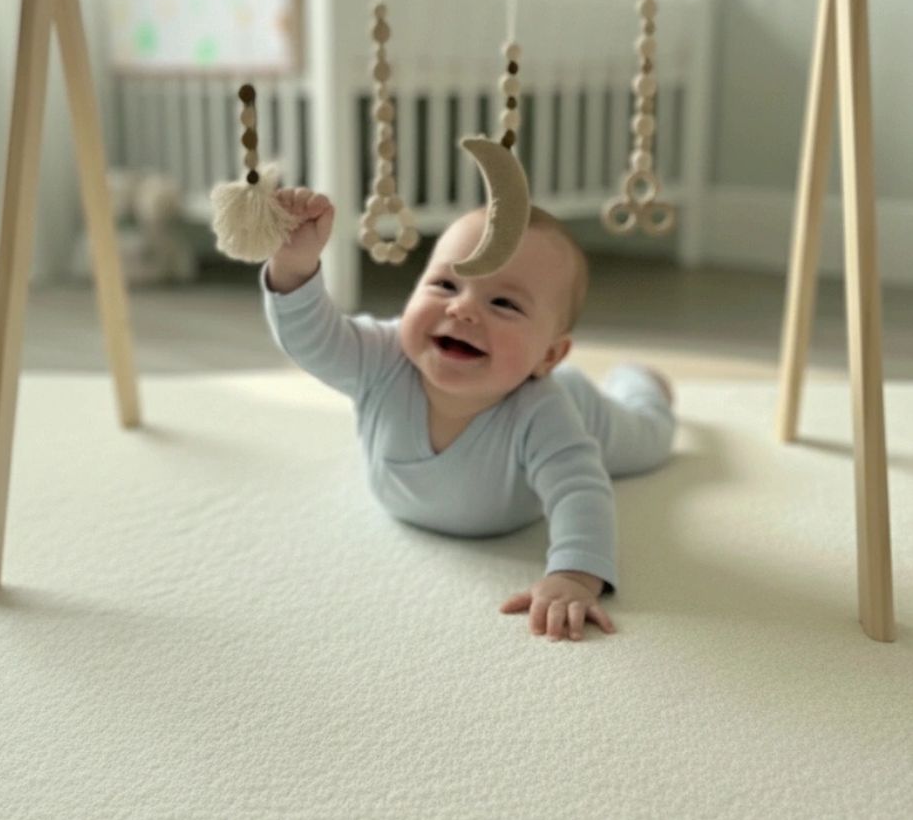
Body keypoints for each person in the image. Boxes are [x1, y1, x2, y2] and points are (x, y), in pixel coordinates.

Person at [260, 187, 676, 642]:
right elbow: (313, 339)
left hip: (586, 411)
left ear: (549, 355)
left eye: (504, 303)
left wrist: (575, 576)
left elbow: (581, 489)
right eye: (445, 284)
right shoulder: (382, 357)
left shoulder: (544, 411)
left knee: (651, 439)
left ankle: (643, 385)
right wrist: (294, 267)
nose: (462, 309)